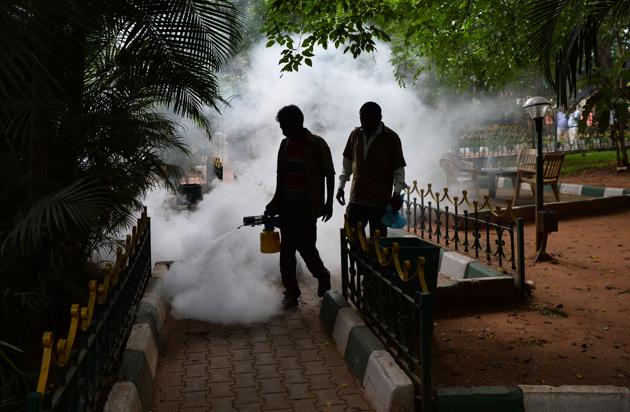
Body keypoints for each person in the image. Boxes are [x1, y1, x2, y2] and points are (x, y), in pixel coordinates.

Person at [266, 105, 334, 309]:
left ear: (297, 123)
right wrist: (274, 202)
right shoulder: (284, 145)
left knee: (306, 248)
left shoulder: (317, 144)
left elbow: (329, 174)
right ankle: (291, 292)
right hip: (287, 207)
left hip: (307, 207)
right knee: (286, 253)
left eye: (285, 126)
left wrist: (328, 203)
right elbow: (281, 178)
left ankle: (322, 276)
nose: (283, 131)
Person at [336, 101, 406, 237]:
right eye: (362, 119)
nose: (364, 123)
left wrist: (397, 194)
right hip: (357, 197)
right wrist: (341, 186)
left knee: (378, 242)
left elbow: (399, 170)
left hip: (379, 201)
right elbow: (347, 164)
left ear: (379, 118)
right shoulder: (355, 134)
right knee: (354, 238)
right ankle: (357, 259)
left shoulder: (391, 138)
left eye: (369, 119)